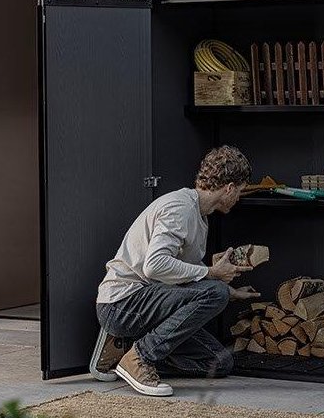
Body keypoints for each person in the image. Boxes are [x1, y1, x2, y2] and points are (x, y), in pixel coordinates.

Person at [89, 145, 260, 396]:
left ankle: (126, 354)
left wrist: (229, 290)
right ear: (229, 188)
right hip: (122, 304)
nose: (238, 198)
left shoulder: (200, 214)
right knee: (216, 293)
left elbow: (182, 274)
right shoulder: (180, 208)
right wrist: (212, 274)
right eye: (240, 191)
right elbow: (155, 265)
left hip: (149, 304)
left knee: (220, 362)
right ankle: (139, 358)